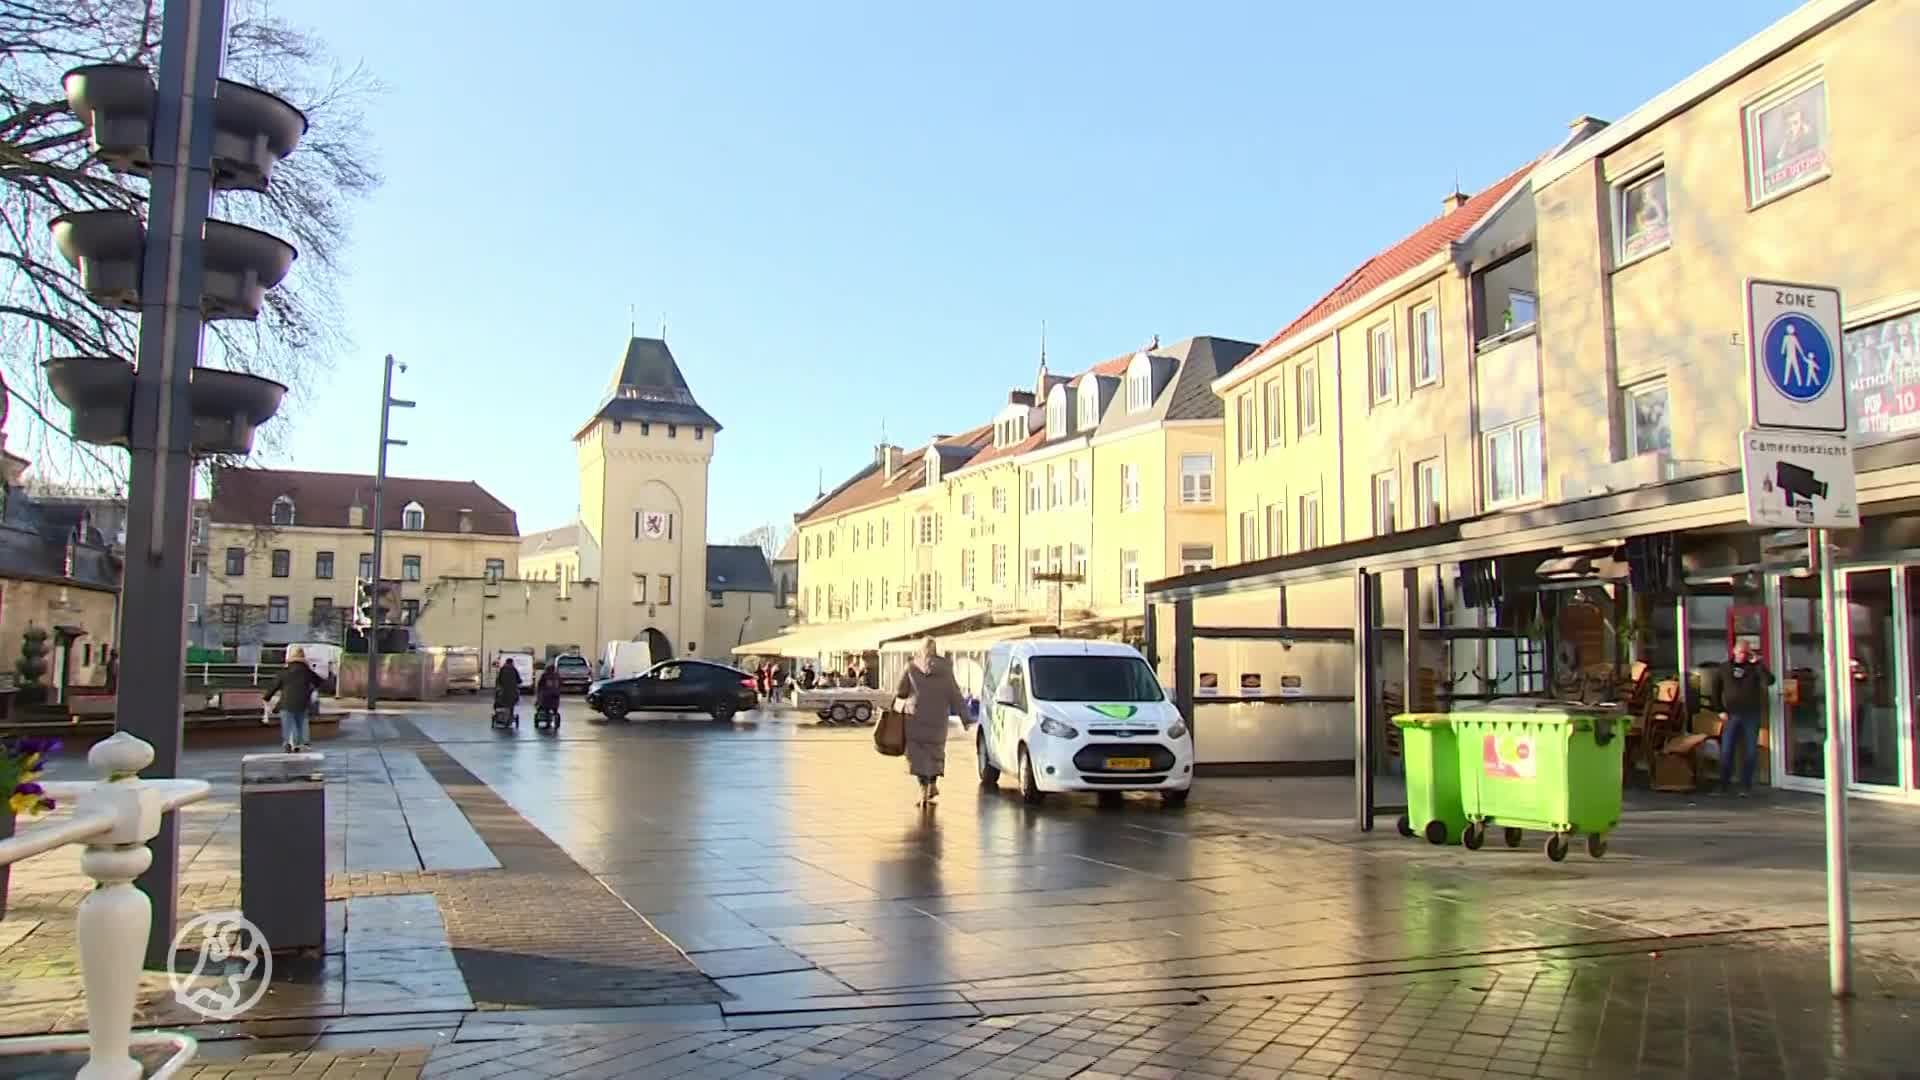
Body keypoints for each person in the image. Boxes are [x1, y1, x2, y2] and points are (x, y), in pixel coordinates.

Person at [894, 637, 970, 806]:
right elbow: (955, 695)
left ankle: (923, 790)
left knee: (918, 756)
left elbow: (900, 692)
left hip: (915, 719)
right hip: (938, 720)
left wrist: (896, 707)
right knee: (935, 753)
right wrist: (965, 718)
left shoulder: (911, 667)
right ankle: (932, 785)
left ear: (920, 650)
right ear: (936, 650)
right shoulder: (946, 669)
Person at [1717, 641, 1775, 796]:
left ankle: (1745, 786)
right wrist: (1720, 710)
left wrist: (1759, 664)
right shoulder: (1724, 668)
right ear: (1734, 651)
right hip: (1732, 714)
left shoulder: (1754, 668)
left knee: (1750, 750)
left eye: (1746, 653)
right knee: (1727, 749)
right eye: (1740, 652)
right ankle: (1723, 784)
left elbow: (1769, 681)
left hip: (1751, 714)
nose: (1742, 655)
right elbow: (1715, 690)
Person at [264, 646, 322, 753]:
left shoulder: (283, 673)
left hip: (286, 702)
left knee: (288, 723)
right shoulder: (308, 672)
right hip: (303, 702)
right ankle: (302, 742)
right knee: (301, 721)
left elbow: (274, 687)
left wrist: (266, 697)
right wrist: (311, 690)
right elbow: (319, 682)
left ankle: (288, 743)